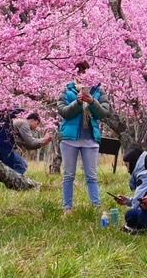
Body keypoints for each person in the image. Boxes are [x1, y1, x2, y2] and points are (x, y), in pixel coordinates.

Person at [57, 62, 112, 212]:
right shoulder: (67, 90)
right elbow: (64, 112)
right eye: (79, 71)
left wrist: (92, 101)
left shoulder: (98, 90)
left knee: (92, 175)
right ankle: (67, 208)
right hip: (69, 138)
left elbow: (103, 113)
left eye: (84, 72)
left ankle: (96, 206)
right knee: (68, 175)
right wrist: (78, 102)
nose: (82, 75)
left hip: (91, 138)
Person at [0, 106, 29, 187]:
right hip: (5, 146)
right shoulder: (4, 113)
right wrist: (26, 109)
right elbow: (16, 111)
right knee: (21, 165)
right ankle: (14, 184)